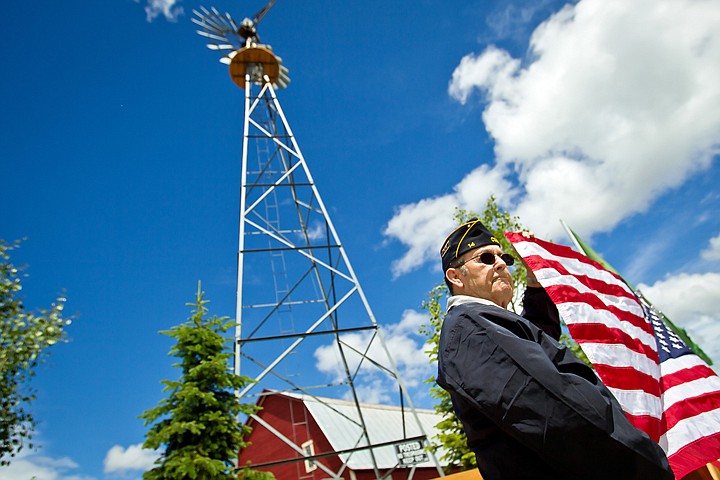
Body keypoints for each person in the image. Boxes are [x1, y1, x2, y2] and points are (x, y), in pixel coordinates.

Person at [436, 218, 673, 480]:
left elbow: (536, 353)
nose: (502, 263)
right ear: (456, 276)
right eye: (486, 258)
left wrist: (534, 282)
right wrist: (647, 466)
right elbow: (560, 411)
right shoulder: (473, 327)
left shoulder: (481, 323)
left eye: (504, 258)